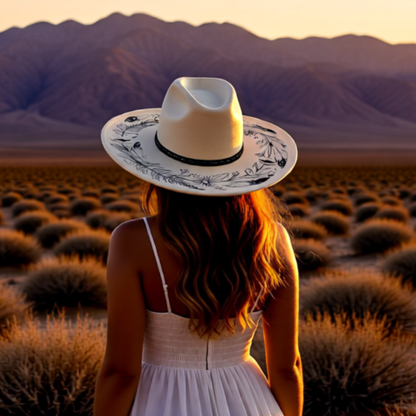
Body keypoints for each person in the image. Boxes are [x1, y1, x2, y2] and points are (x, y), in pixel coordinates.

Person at [93, 77, 303, 416]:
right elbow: (286, 366)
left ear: (157, 170)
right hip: (251, 403)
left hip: (160, 402)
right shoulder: (273, 238)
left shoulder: (133, 241)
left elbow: (122, 371)